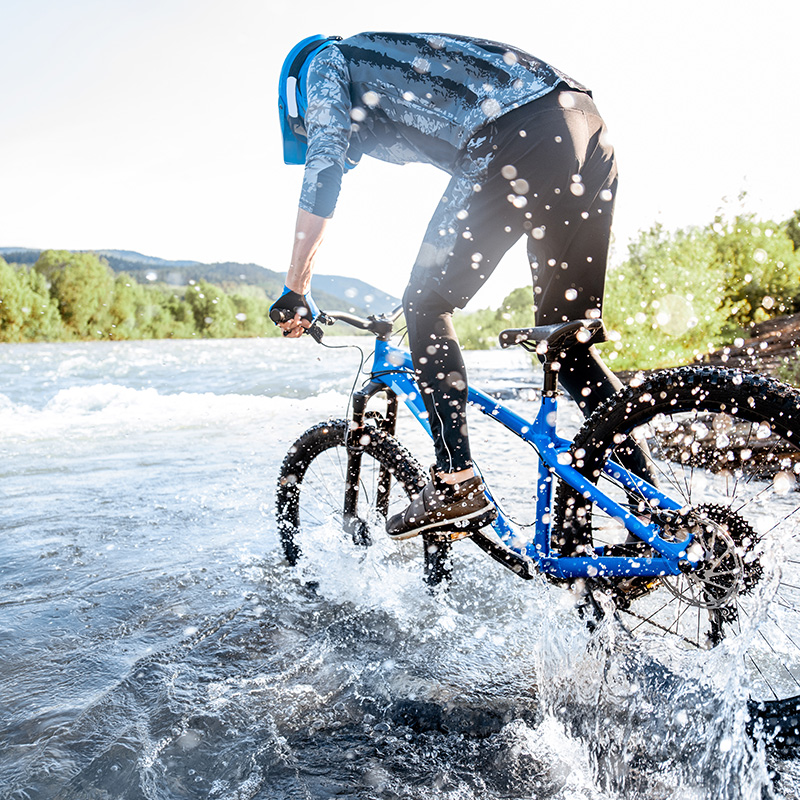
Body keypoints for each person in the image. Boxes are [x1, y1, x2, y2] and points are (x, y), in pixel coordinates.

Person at [271, 32, 625, 542]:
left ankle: (456, 483)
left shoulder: (323, 62)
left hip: (519, 130)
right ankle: (667, 519)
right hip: (585, 127)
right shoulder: (390, 65)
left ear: (296, 100)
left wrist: (296, 287)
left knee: (426, 301)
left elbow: (325, 165)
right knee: (567, 348)